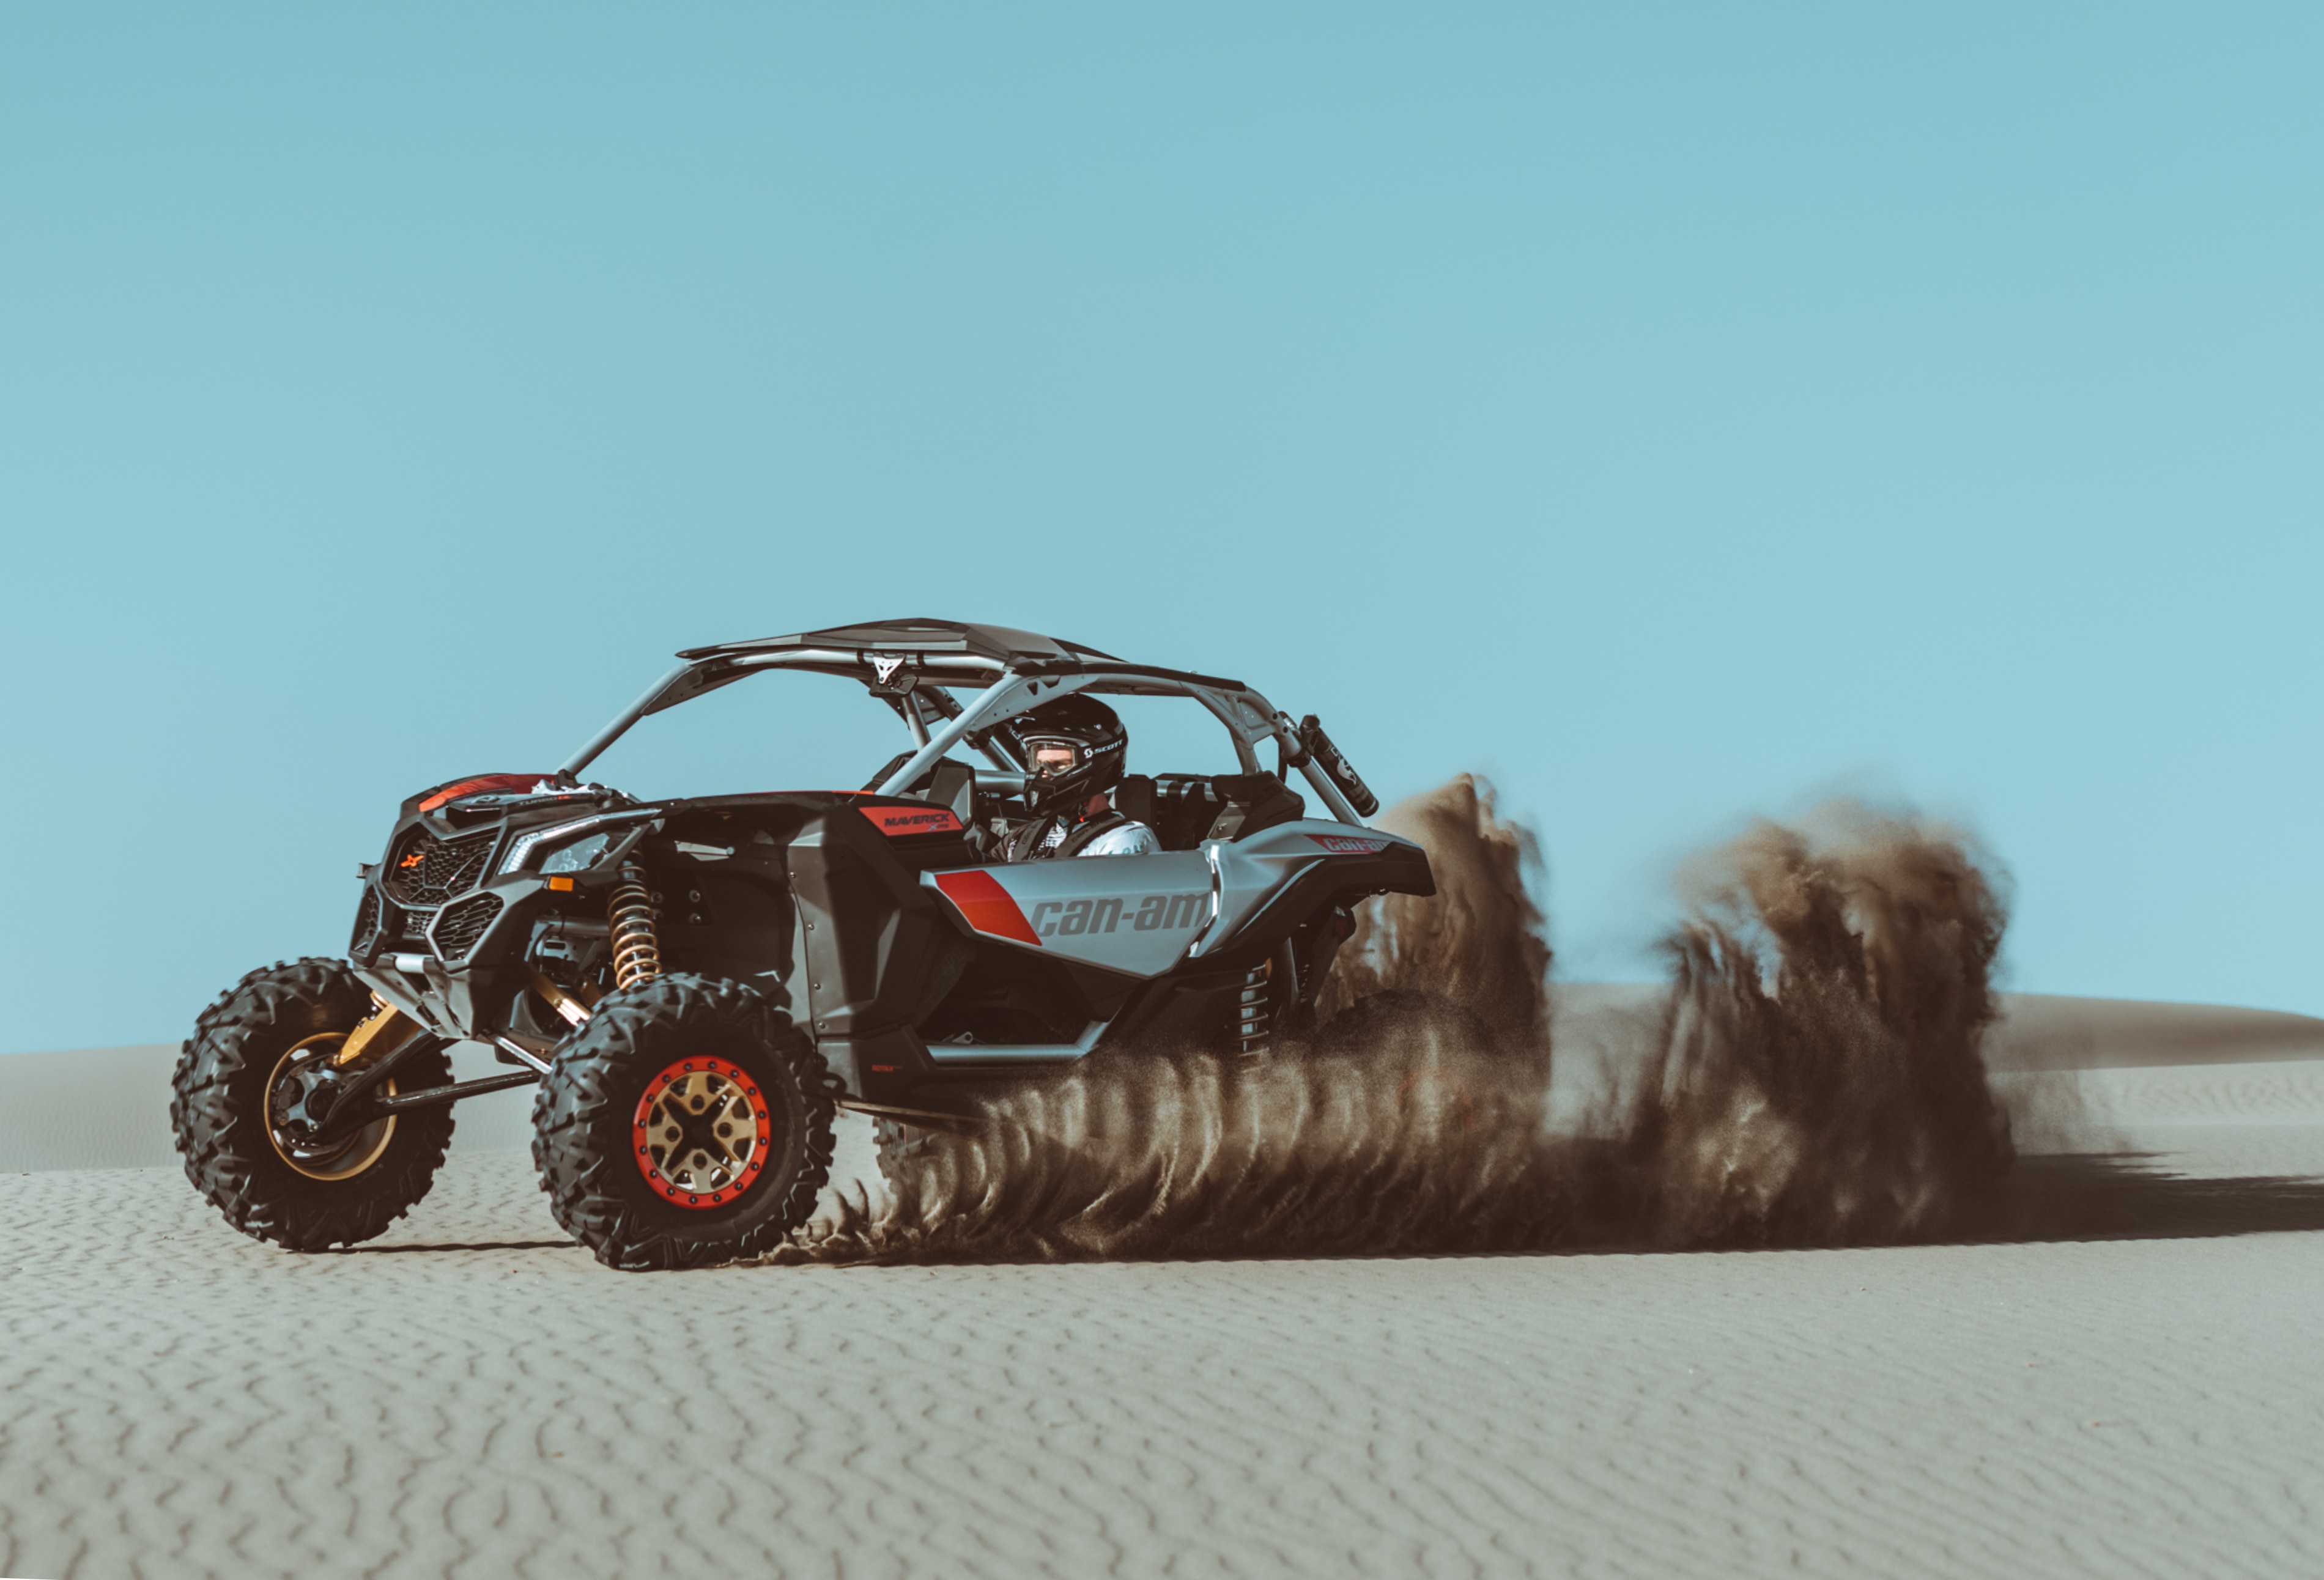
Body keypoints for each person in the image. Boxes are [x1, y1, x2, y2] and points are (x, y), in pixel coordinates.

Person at [1000, 693, 1159, 860]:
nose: (1044, 775)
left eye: (1058, 765)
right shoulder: (1022, 838)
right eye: (1039, 764)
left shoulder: (1124, 839)